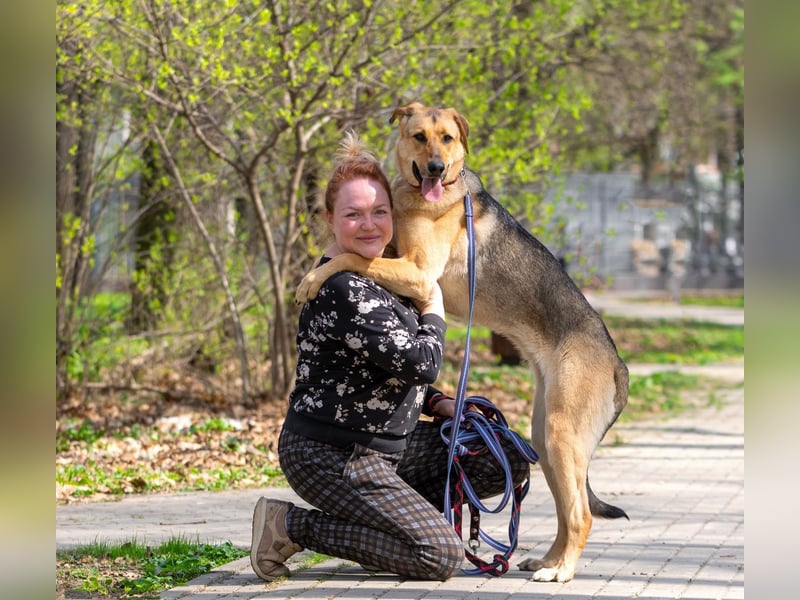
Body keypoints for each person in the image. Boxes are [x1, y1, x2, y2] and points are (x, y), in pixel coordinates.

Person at [250, 132, 530, 582]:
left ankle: (402, 520)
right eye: (354, 214)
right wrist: (433, 305)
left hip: (388, 450)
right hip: (331, 455)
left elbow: (390, 368)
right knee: (437, 558)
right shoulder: (340, 288)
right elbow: (420, 361)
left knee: (503, 460)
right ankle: (289, 525)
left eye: (380, 212)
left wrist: (437, 403)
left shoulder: (380, 276)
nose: (370, 225)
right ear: (330, 218)